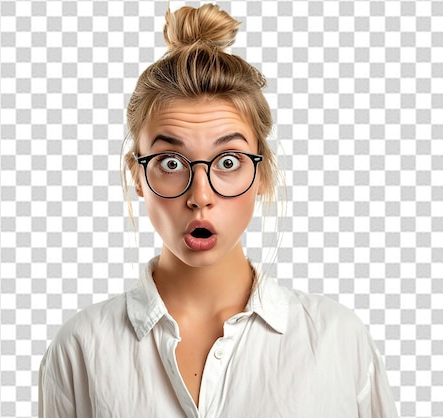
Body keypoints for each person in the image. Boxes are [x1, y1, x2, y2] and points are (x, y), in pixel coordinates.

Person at [39, 3, 398, 417]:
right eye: (171, 163)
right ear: (137, 176)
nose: (200, 195)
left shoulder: (338, 340)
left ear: (261, 172)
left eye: (228, 162)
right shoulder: (81, 348)